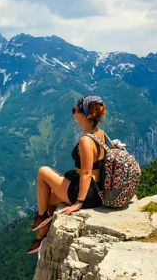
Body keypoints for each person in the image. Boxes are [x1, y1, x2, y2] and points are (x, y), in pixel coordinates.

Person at [26, 95, 109, 254]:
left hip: (86, 192)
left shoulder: (86, 140)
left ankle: (41, 216)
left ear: (84, 115)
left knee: (43, 171)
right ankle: (42, 236)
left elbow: (85, 172)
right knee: (50, 199)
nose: (73, 113)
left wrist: (79, 203)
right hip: (97, 189)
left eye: (75, 110)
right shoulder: (101, 134)